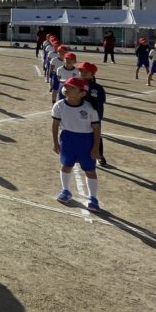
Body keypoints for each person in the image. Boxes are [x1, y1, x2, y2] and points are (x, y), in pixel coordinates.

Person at [52, 77, 102, 213]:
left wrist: (96, 147)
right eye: (66, 86)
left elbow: (97, 128)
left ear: (82, 93)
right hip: (68, 139)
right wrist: (56, 142)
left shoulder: (89, 108)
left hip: (86, 141)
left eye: (72, 87)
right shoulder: (59, 105)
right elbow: (55, 124)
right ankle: (66, 190)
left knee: (90, 170)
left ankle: (93, 198)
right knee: (66, 166)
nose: (66, 89)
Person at [78, 62, 107, 166]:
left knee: (96, 135)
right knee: (78, 134)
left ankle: (99, 155)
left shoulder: (97, 88)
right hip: (78, 116)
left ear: (92, 73)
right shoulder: (76, 84)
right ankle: (79, 154)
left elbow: (101, 101)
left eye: (86, 71)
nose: (82, 73)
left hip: (94, 117)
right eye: (81, 71)